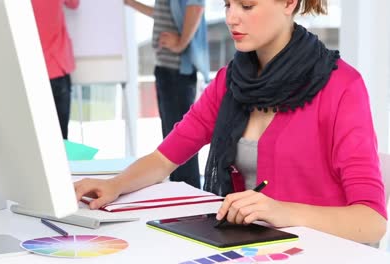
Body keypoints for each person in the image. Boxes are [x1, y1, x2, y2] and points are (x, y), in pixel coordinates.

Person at [74, 0, 387, 243]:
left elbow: (372, 222)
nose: (231, 18)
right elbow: (163, 159)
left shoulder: (342, 86)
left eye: (247, 6)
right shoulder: (230, 82)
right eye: (227, 4)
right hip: (250, 248)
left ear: (289, 3)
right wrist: (114, 185)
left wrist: (282, 211)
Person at [123, 0, 210, 188]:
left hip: (177, 70)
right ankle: (178, 193)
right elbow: (163, 14)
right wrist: (132, 4)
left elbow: (196, 8)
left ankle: (187, 197)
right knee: (172, 140)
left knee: (181, 141)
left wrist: (179, 44)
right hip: (165, 68)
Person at [31, 0, 79, 139]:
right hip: (57, 68)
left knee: (36, 136)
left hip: (30, 72)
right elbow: (74, 4)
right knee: (61, 139)